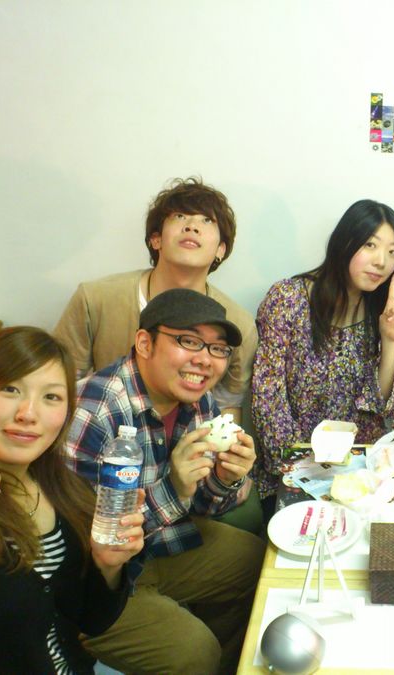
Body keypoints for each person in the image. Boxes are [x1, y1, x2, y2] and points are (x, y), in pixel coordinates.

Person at [66, 288, 265, 674]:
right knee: (193, 651)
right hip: (95, 583)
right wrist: (174, 488)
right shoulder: (97, 411)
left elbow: (203, 505)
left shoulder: (198, 400)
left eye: (218, 349)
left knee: (254, 561)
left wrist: (224, 479)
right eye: (189, 341)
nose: (204, 360)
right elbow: (84, 546)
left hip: (153, 549)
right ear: (145, 343)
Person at [54, 176, 262, 533]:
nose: (192, 225)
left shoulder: (236, 327)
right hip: (108, 467)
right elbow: (61, 391)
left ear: (221, 250)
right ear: (155, 239)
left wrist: (224, 468)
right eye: (180, 216)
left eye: (207, 220)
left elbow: (227, 406)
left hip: (174, 470)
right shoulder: (96, 300)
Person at [0, 327, 144, 674]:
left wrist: (107, 566)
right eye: (10, 389)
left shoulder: (63, 487)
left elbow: (89, 620)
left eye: (51, 397)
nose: (28, 413)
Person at [251, 199, 394, 513]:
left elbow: (383, 410)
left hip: (360, 470)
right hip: (295, 469)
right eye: (370, 245)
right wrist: (299, 465)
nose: (381, 261)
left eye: (393, 252)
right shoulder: (288, 299)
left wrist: (390, 341)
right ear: (344, 242)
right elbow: (268, 398)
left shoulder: (386, 311)